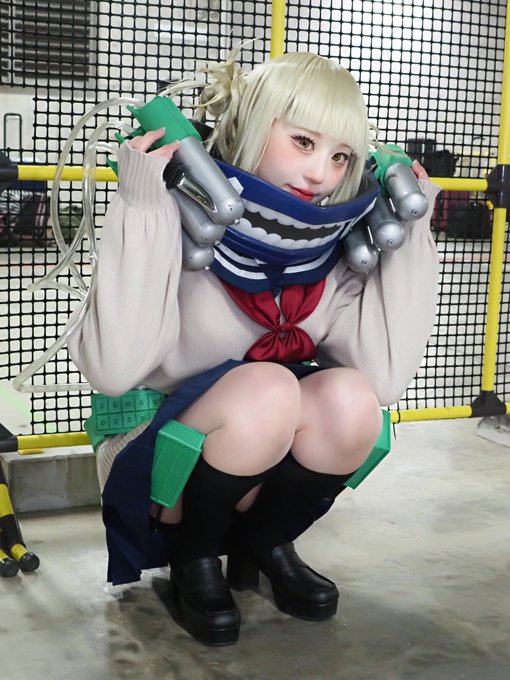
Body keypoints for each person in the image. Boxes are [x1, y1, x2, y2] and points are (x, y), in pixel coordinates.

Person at [67, 49, 440, 646]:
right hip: (154, 449)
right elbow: (113, 371)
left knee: (350, 401)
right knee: (269, 387)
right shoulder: (183, 214)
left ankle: (263, 544)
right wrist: (142, 202)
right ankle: (193, 557)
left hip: (257, 450)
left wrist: (412, 231)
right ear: (254, 124)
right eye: (303, 141)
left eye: (340, 155)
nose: (319, 174)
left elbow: (384, 380)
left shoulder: (329, 246)